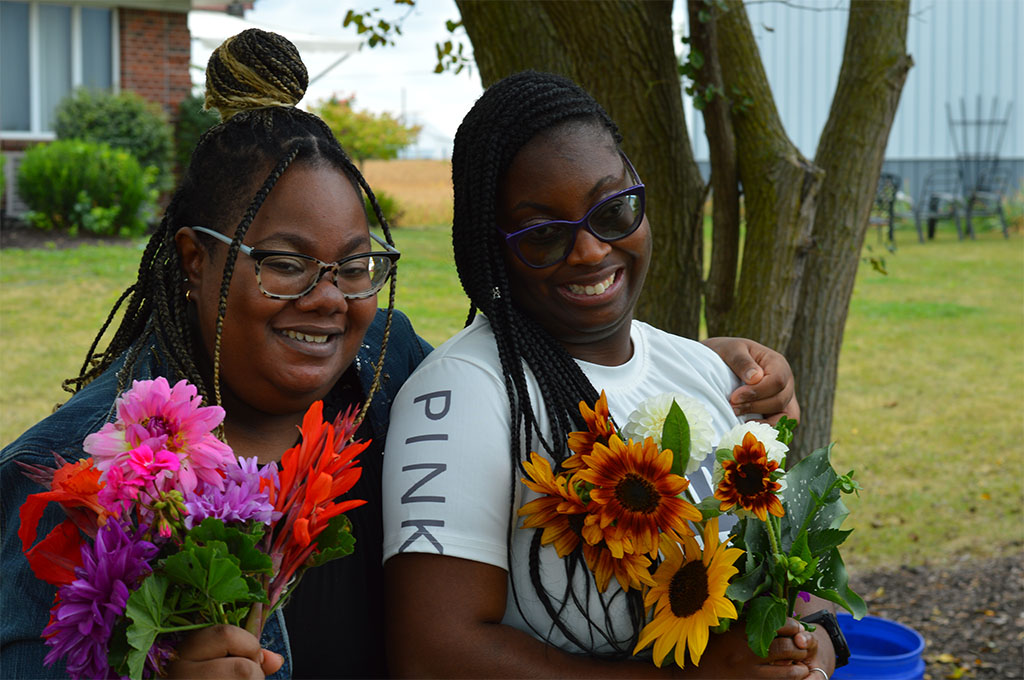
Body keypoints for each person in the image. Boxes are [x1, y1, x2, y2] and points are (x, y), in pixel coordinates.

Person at [0, 33, 795, 679]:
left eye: (354, 265)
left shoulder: (383, 369)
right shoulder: (73, 473)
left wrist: (700, 364)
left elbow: (511, 364)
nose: (328, 298)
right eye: (284, 262)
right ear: (196, 260)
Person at [382, 71, 834, 679]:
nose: (591, 250)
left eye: (613, 209)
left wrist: (816, 646)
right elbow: (436, 654)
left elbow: (793, 568)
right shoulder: (462, 394)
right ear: (491, 247)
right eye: (543, 234)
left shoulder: (705, 370)